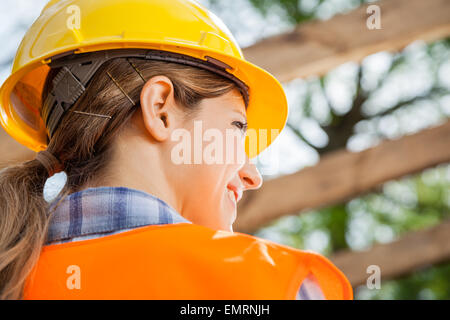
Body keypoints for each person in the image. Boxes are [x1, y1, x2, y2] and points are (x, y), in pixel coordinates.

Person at [0, 0, 353, 300]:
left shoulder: (13, 277)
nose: (252, 175)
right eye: (236, 128)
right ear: (160, 109)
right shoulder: (271, 285)